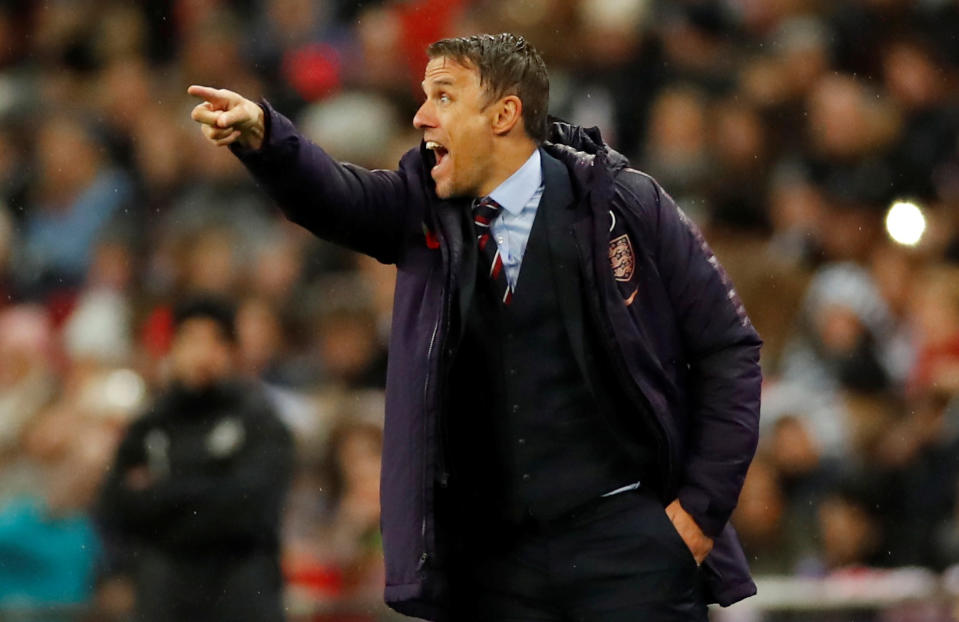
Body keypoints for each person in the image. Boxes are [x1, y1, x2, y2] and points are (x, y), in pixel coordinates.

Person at [189, 33, 762, 621]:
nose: (420, 116)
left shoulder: (623, 204)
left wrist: (696, 513)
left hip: (626, 549)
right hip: (492, 567)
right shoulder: (421, 208)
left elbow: (729, 349)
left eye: (443, 96)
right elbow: (338, 196)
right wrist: (266, 138)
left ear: (504, 114)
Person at [95, 295, 294, 622]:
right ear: (171, 349)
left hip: (241, 599)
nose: (202, 354)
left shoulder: (260, 422)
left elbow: (251, 507)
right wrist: (213, 485)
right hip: (165, 602)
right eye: (190, 340)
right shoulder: (149, 426)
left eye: (215, 340)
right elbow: (116, 505)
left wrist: (162, 494)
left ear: (232, 352)